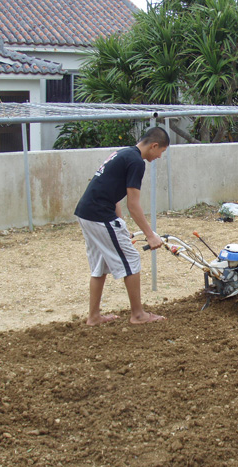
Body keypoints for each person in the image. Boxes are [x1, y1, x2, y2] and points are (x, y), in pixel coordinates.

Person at [74, 126, 170, 326]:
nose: (160, 156)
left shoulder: (123, 153)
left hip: (87, 212)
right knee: (132, 259)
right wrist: (150, 235)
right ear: (154, 146)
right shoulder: (136, 162)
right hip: (99, 215)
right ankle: (138, 315)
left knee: (99, 266)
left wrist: (121, 225)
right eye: (161, 151)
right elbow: (133, 205)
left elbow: (113, 192)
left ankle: (93, 317)